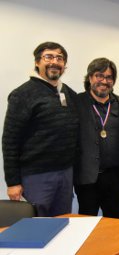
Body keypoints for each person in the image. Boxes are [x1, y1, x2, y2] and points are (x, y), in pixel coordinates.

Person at [2, 42, 79, 216]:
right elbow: (10, 140)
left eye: (59, 58)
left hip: (66, 174)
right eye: (49, 57)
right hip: (37, 177)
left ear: (64, 65)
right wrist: (13, 182)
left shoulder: (68, 93)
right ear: (37, 62)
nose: (55, 62)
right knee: (37, 228)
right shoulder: (23, 94)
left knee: (63, 223)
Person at [74, 58, 119, 219]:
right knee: (85, 225)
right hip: (87, 178)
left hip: (114, 178)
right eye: (99, 76)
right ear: (90, 78)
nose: (104, 81)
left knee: (114, 224)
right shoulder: (77, 102)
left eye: (109, 77)